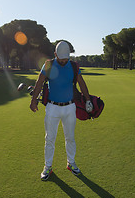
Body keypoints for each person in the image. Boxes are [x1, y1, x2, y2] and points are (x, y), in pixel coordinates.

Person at [30, 41, 93, 181]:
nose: (64, 61)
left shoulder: (73, 66)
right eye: (61, 59)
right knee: (50, 139)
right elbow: (39, 82)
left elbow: (82, 83)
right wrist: (33, 100)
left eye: (66, 59)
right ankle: (48, 167)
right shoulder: (49, 65)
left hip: (70, 107)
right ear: (55, 55)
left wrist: (88, 100)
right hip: (52, 107)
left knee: (70, 137)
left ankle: (71, 163)